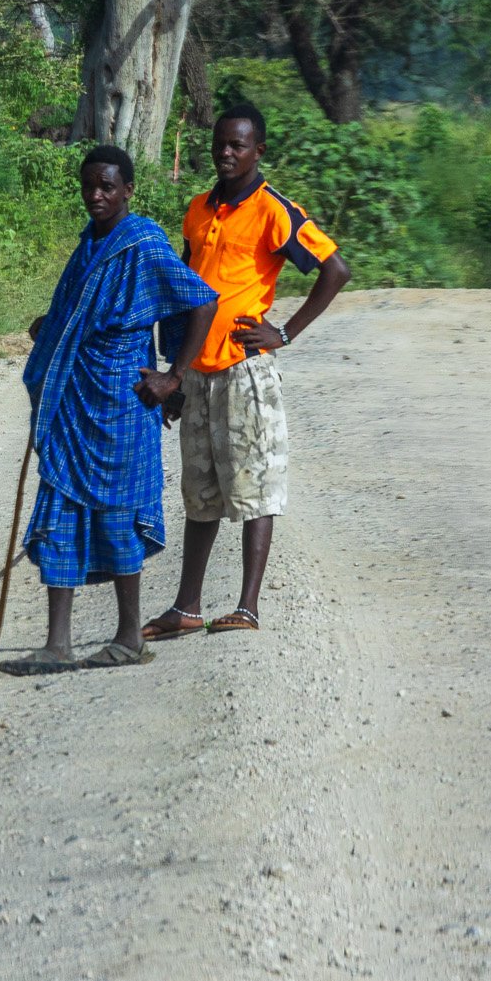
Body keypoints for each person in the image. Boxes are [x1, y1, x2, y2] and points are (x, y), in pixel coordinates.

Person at [136, 104, 350, 637]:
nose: (227, 153)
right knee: (200, 492)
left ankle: (247, 606)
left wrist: (285, 332)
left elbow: (335, 269)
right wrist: (174, 375)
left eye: (239, 145)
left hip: (243, 370)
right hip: (197, 371)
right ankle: (187, 607)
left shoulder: (273, 209)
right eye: (221, 144)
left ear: (259, 151)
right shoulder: (198, 209)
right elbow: (183, 293)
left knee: (256, 487)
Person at [11, 144, 219, 672]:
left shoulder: (144, 244)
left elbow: (202, 300)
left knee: (120, 516)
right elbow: (74, 315)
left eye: (107, 186)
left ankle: (130, 637)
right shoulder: (87, 244)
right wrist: (49, 329)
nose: (96, 196)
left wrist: (174, 375)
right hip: (76, 405)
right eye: (89, 186)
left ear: (129, 189)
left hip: (124, 405)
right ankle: (57, 645)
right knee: (59, 508)